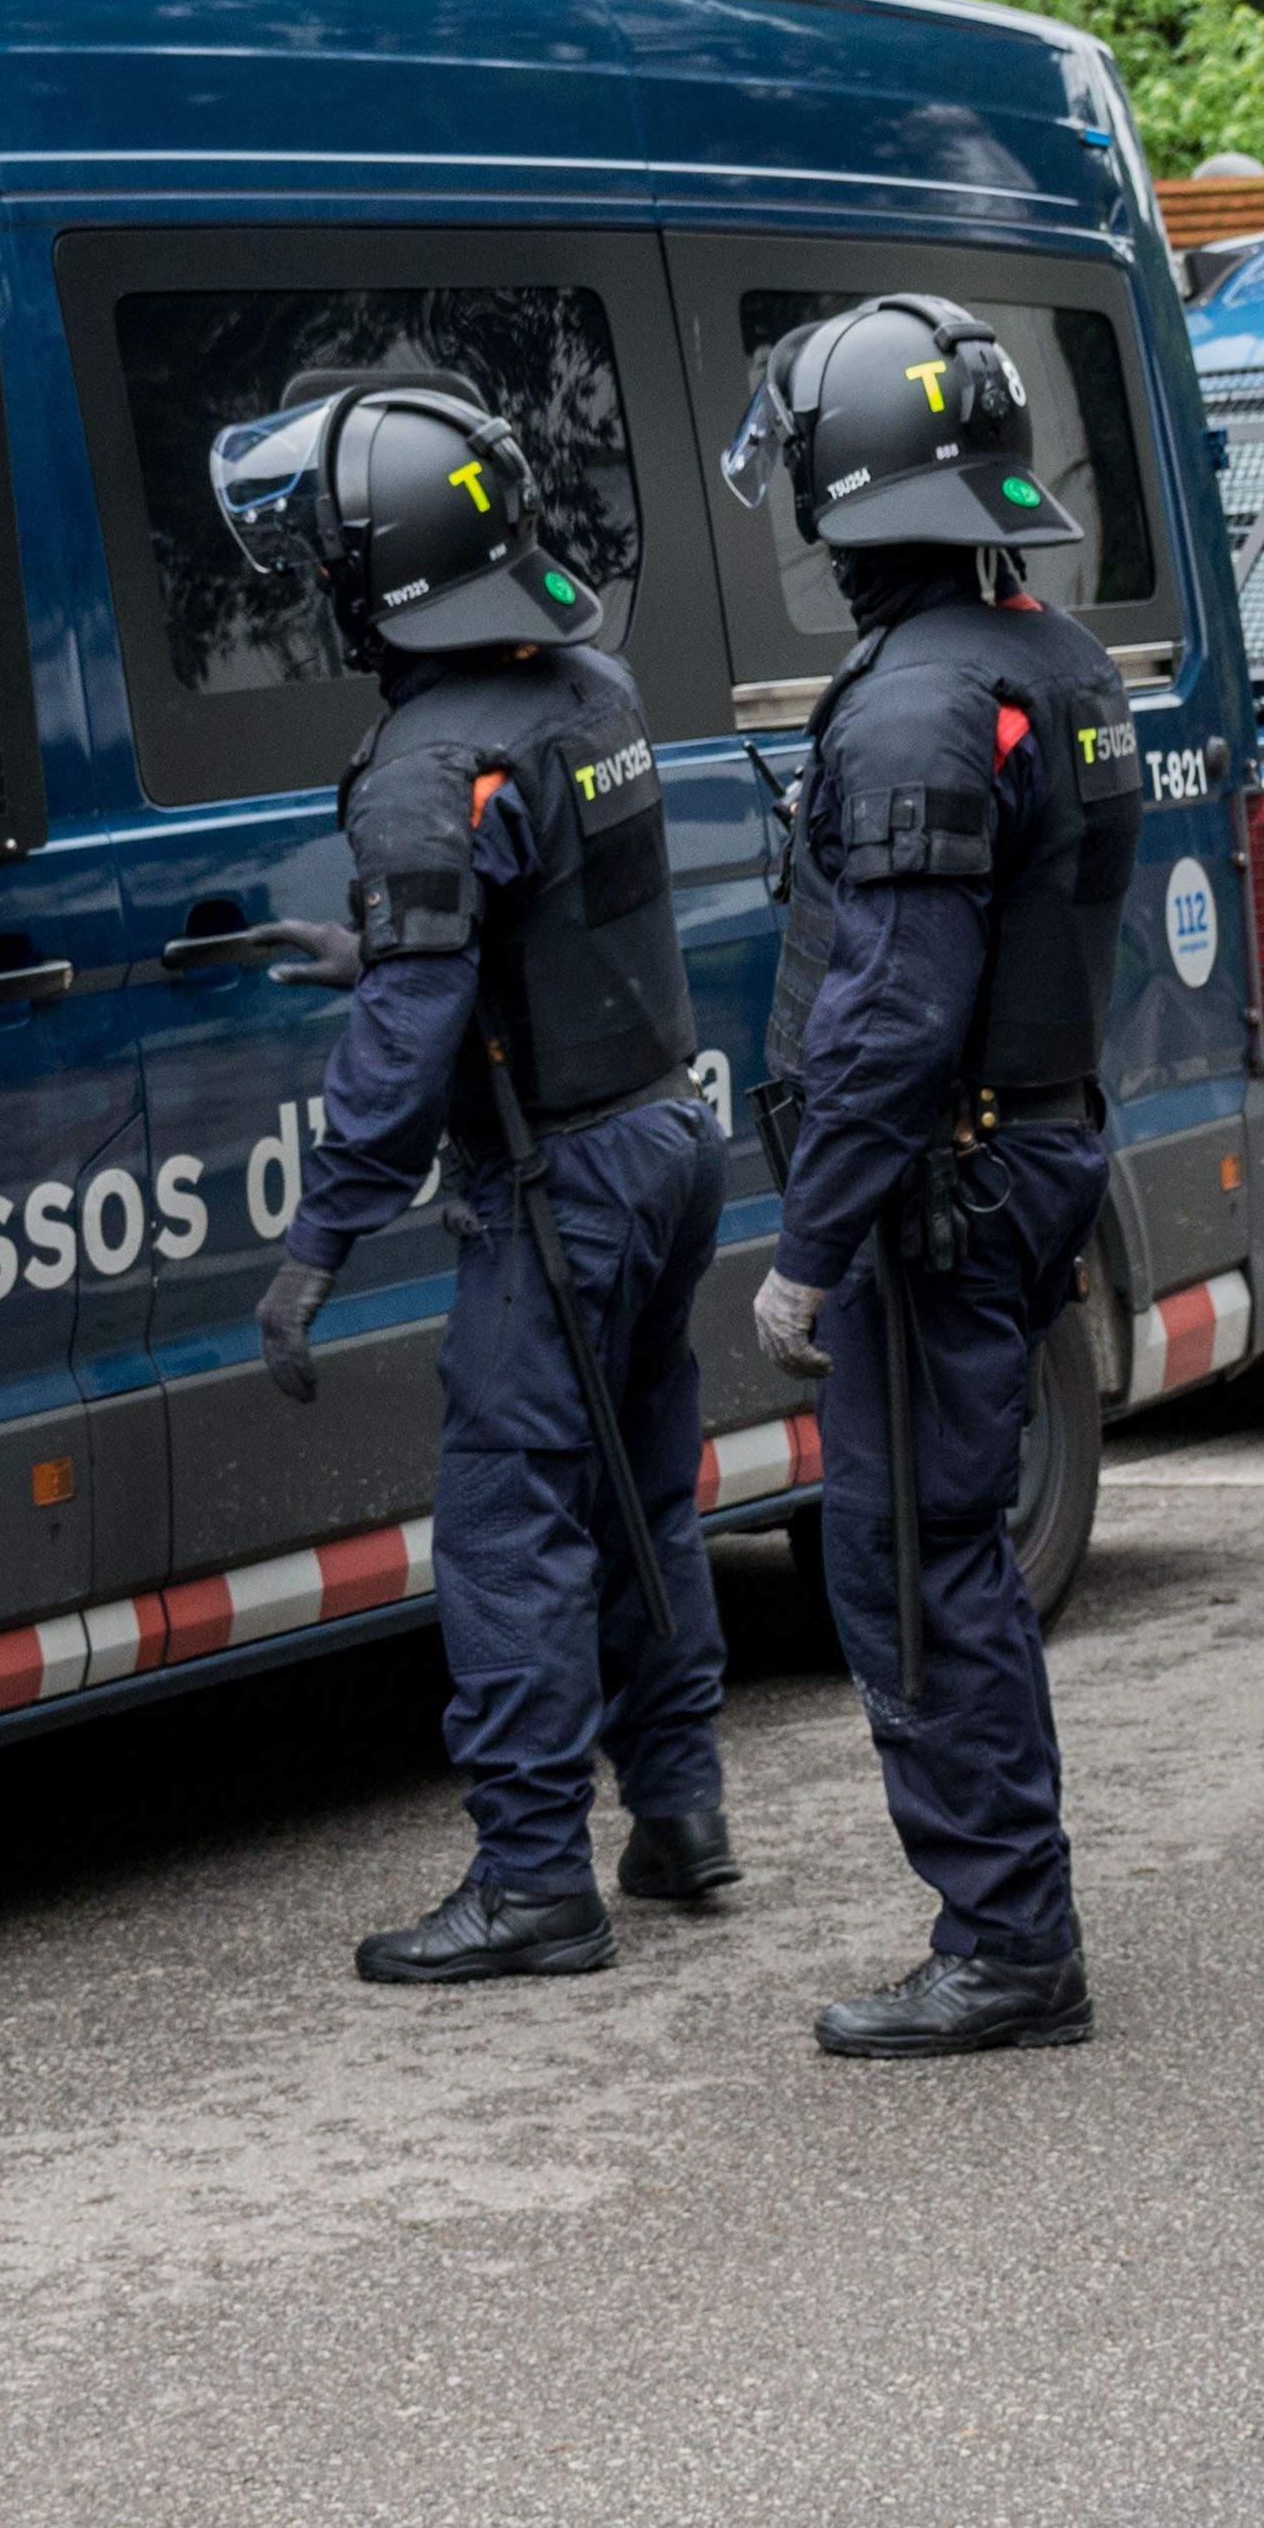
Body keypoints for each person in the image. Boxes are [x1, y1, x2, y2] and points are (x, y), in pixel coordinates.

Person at [222, 375, 737, 1985]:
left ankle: (534, 1884)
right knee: (645, 1489)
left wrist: (316, 1243)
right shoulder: (588, 687)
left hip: (559, 1184)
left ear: (390, 572)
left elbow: (413, 1026)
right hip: (663, 1139)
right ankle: (680, 1812)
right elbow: (536, 918)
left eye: (331, 559)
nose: (316, 586)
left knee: (512, 1528)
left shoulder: (425, 764)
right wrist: (377, 937)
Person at [722, 296, 1133, 2060]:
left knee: (908, 1560)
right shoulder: (1055, 658)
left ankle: (1007, 1944)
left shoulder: (917, 710)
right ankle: (1010, 1915)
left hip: (935, 1188)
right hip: (1025, 1154)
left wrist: (808, 1251)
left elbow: (890, 1019)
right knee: (953, 1543)